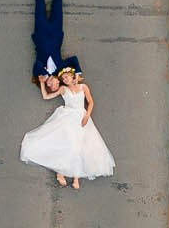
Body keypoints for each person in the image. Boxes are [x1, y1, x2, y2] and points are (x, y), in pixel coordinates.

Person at [20, 60, 115, 188]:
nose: (65, 79)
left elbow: (91, 102)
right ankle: (61, 172)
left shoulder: (83, 87)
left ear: (72, 76)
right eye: (63, 78)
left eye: (67, 77)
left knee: (80, 145)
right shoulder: (63, 89)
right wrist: (42, 83)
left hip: (81, 117)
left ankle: (76, 177)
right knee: (68, 143)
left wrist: (87, 115)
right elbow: (46, 97)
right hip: (68, 117)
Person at [31, 0, 65, 91]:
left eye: (53, 86)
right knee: (58, 4)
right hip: (56, 33)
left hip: (41, 33)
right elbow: (73, 59)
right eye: (57, 85)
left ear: (47, 85)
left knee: (39, 3)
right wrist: (77, 74)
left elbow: (38, 64)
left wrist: (43, 77)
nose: (55, 83)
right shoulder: (61, 70)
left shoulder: (38, 73)